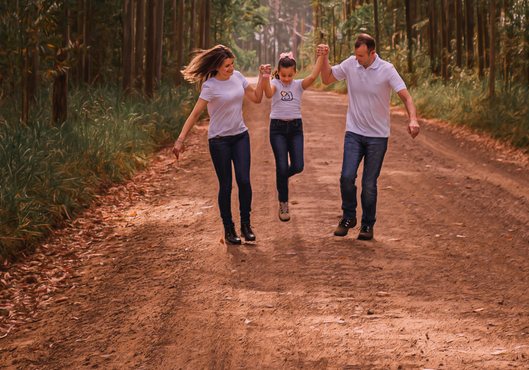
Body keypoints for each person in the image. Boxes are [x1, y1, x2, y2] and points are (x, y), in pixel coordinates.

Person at [317, 34, 420, 241]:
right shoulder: (350, 63)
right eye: (356, 54)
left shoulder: (387, 70)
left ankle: (367, 225)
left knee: (369, 184)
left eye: (362, 55)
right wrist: (324, 58)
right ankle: (348, 217)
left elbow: (406, 97)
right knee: (346, 176)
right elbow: (327, 79)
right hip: (354, 132)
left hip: (377, 137)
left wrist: (413, 120)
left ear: (373, 53)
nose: (357, 59)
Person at [174, 45, 270, 245]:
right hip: (219, 141)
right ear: (217, 66)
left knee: (244, 180)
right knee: (226, 186)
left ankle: (246, 225)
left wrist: (263, 78)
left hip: (240, 136)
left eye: (232, 64)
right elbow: (195, 113)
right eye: (227, 65)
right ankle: (229, 229)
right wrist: (181, 139)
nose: (231, 68)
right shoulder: (210, 86)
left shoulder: (238, 77)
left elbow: (256, 98)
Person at [257, 52, 323, 222]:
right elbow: (268, 94)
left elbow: (314, 75)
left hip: (295, 129)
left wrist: (322, 56)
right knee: (281, 164)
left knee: (299, 165)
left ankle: (282, 176)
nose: (286, 79)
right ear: (278, 72)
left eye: (290, 75)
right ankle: (283, 203)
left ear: (295, 72)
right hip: (277, 129)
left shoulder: (299, 85)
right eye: (283, 75)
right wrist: (265, 76)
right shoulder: (274, 83)